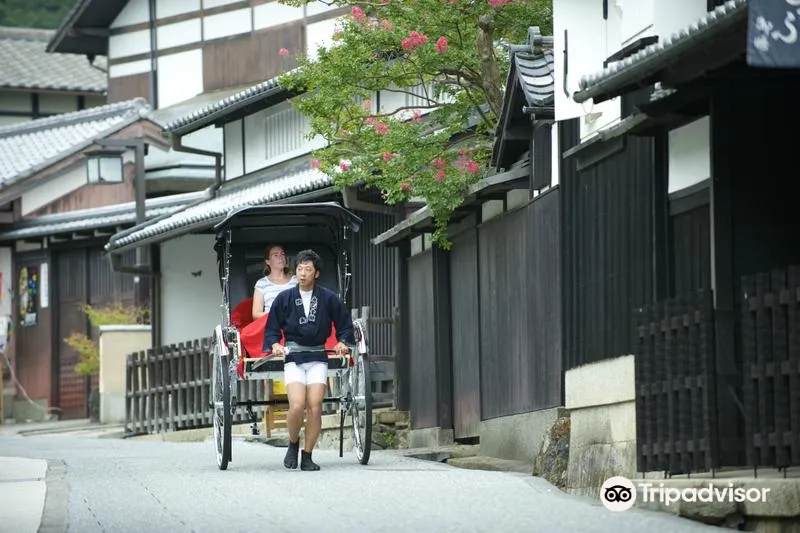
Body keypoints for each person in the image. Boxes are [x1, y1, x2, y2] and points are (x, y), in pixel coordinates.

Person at [263, 249, 354, 471]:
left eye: (308, 269)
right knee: (296, 405)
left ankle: (308, 455)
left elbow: (344, 324)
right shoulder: (284, 298)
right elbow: (272, 327)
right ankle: (293, 444)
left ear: (317, 273)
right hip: (293, 356)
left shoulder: (329, 298)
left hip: (317, 357)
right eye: (300, 269)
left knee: (314, 407)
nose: (303, 273)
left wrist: (343, 341)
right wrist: (275, 344)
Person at [252, 245, 297, 320]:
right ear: (268, 261)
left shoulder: (296, 280)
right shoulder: (261, 283)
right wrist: (277, 315)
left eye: (282, 254)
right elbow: (256, 315)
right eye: (275, 255)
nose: (280, 257)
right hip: (272, 325)